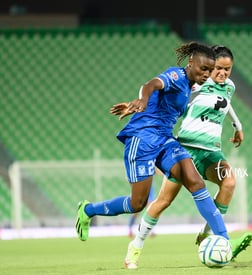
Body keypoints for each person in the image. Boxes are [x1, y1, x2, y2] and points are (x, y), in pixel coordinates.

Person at [75, 41, 240, 266]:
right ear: (191, 63)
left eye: (209, 71)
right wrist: (142, 100)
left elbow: (221, 101)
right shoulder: (176, 76)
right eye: (203, 69)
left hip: (165, 140)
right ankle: (88, 209)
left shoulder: (192, 86)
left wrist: (236, 126)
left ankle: (223, 238)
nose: (207, 74)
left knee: (195, 182)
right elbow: (151, 84)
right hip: (141, 139)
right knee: (138, 203)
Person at [125, 45, 252, 269]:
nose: (222, 73)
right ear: (209, 68)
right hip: (187, 150)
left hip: (212, 151)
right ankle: (136, 246)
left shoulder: (229, 87)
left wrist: (237, 125)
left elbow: (226, 103)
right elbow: (167, 94)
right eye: (218, 69)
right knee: (163, 201)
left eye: (227, 69)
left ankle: (208, 235)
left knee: (229, 181)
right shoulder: (196, 86)